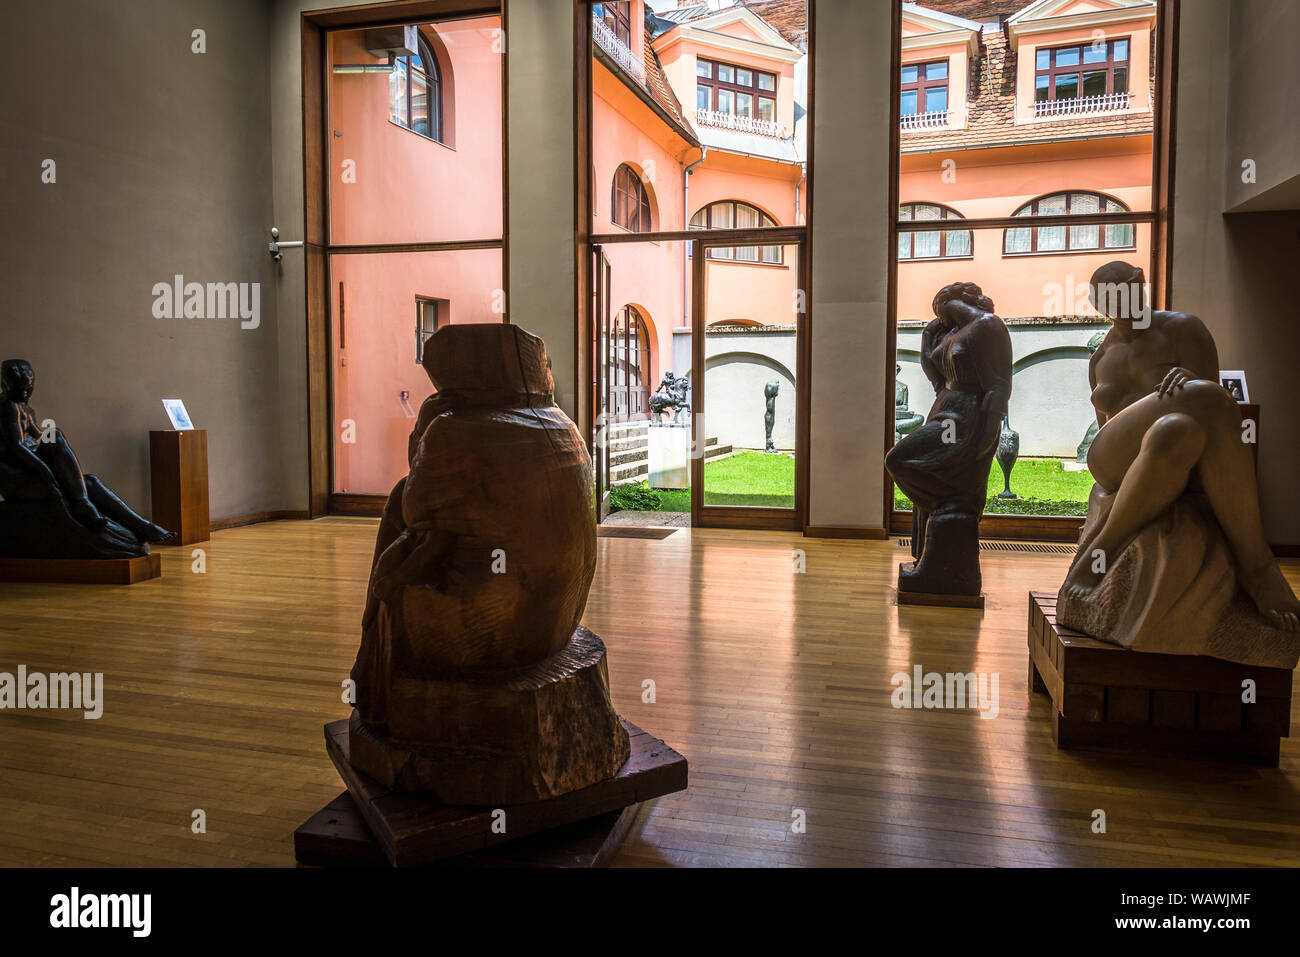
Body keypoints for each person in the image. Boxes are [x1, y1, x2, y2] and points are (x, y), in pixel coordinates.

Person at [1059, 263, 1298, 632]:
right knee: (1201, 396)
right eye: (1109, 297)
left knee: (1178, 429)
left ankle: (1101, 554)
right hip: (1111, 460)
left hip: (1174, 454)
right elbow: (1108, 425)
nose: (1124, 302)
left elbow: (1216, 429)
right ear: (1097, 303)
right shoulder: (1101, 358)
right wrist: (1193, 388)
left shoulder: (1184, 330)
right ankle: (1258, 563)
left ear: (1142, 284)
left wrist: (1191, 384)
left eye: (1131, 289)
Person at [886, 282, 1011, 594]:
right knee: (907, 462)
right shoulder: (951, 332)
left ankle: (949, 503)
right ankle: (945, 511)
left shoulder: (988, 326)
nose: (935, 317)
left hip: (968, 416)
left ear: (944, 300)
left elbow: (999, 386)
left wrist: (986, 433)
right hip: (945, 408)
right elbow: (934, 373)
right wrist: (928, 336)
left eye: (935, 309)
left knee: (898, 460)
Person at [0, 359, 172, 544]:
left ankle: (142, 525)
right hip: (20, 477)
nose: (25, 394)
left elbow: (38, 437)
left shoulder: (24, 408)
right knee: (56, 436)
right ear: (5, 384)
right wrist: (47, 471)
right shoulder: (7, 406)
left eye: (28, 389)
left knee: (91, 481)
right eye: (19, 389)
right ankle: (85, 503)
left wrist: (59, 462)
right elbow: (16, 447)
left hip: (34, 470)